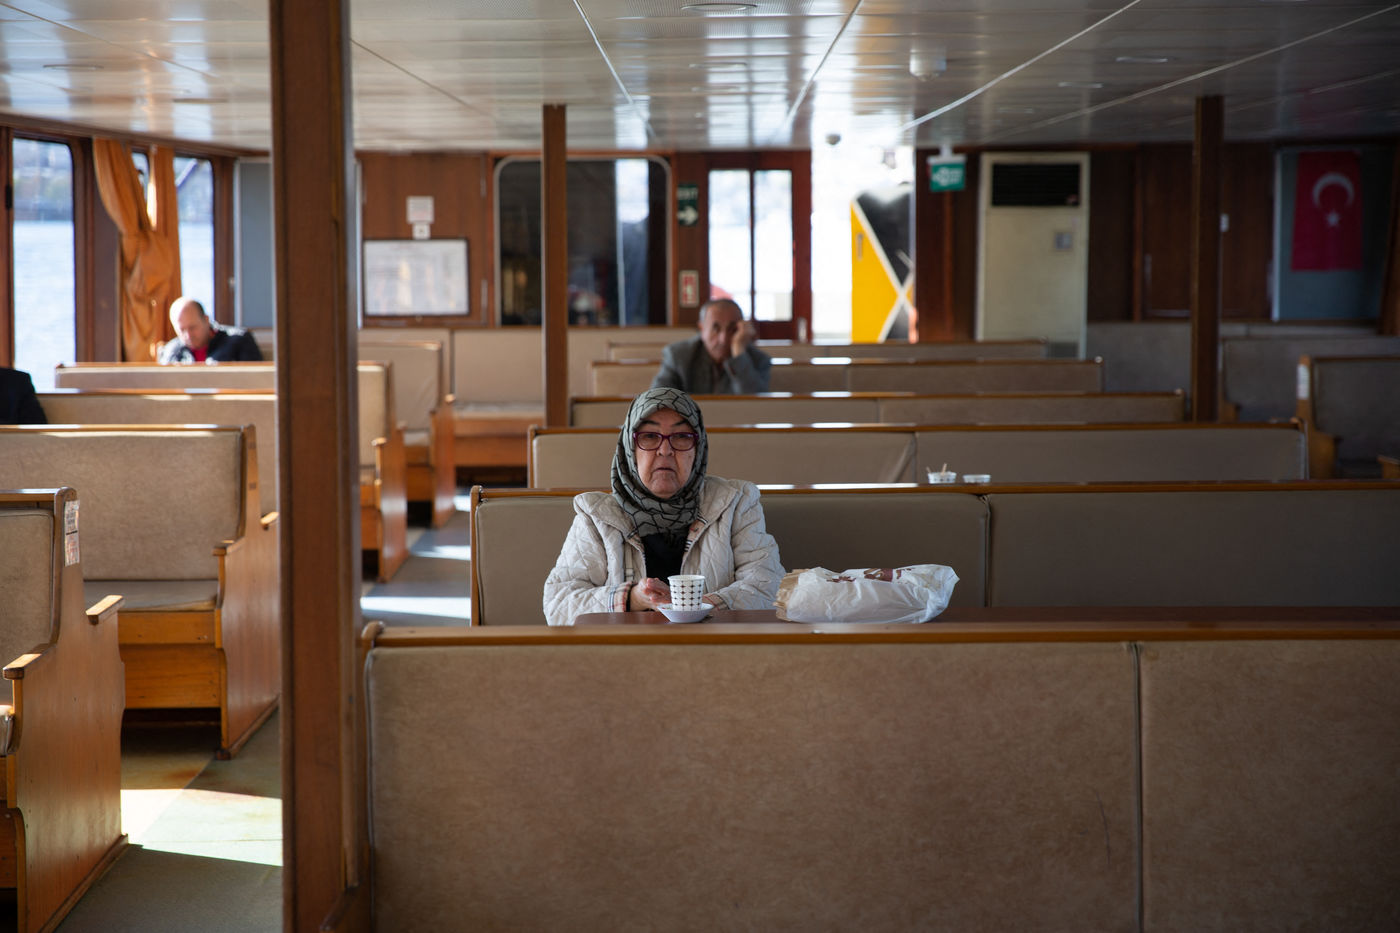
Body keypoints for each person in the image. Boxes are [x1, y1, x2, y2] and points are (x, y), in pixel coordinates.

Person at [543, 387, 783, 626]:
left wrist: (694, 606)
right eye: (649, 436)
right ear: (630, 448)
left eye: (681, 437)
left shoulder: (736, 502)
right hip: (627, 648)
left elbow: (769, 587)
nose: (665, 450)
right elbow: (558, 605)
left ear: (698, 449)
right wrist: (633, 598)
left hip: (715, 647)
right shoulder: (596, 516)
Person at [651, 298, 771, 394]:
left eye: (732, 329)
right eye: (716, 329)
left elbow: (755, 404)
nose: (723, 339)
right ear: (701, 329)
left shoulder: (758, 360)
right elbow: (658, 400)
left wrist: (739, 353)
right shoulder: (678, 356)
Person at [158, 297, 263, 363]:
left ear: (206, 320)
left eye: (192, 327)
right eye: (182, 330)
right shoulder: (171, 352)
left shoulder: (239, 341)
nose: (188, 335)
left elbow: (255, 381)